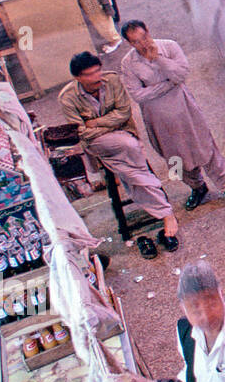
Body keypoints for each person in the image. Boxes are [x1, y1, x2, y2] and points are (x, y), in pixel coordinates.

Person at [119, 21, 225, 212]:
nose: (143, 44)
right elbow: (138, 95)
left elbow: (181, 74)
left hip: (184, 110)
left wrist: (158, 60)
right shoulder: (128, 63)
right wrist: (168, 84)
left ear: (149, 32)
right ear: (129, 43)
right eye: (136, 41)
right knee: (174, 159)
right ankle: (197, 188)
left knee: (206, 148)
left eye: (144, 37)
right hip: (158, 119)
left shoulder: (169, 46)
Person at [58, 51, 180, 255]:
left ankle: (162, 209)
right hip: (97, 143)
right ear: (78, 77)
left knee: (127, 163)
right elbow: (81, 131)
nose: (97, 77)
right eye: (89, 74)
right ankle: (165, 211)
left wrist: (96, 123)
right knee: (130, 148)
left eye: (98, 71)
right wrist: (108, 125)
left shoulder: (112, 80)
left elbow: (124, 112)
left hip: (124, 132)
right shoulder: (68, 98)